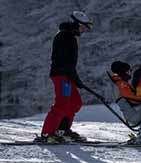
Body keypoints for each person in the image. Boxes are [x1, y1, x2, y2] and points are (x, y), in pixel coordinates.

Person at [40, 11, 93, 143]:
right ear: (76, 24)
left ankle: (62, 130)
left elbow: (69, 62)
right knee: (62, 104)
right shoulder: (64, 36)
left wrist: (75, 78)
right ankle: (47, 134)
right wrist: (72, 75)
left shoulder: (70, 37)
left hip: (67, 76)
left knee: (75, 102)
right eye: (83, 27)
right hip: (61, 75)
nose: (84, 31)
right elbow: (62, 60)